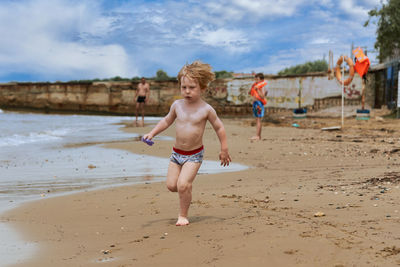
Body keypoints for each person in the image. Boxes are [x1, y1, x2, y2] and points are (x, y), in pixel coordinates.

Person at [143, 61, 232, 226]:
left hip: (194, 155)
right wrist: (152, 133)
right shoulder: (177, 105)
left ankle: (183, 216)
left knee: (183, 185)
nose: (187, 91)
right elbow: (166, 121)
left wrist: (224, 149)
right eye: (184, 87)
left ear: (203, 88)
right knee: (172, 186)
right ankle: (186, 188)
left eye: (192, 87)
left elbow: (219, 127)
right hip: (176, 154)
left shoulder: (206, 109)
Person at [249, 73, 267, 140]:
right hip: (256, 103)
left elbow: (262, 97)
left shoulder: (261, 87)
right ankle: (258, 135)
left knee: (258, 120)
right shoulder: (256, 86)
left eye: (257, 79)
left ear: (262, 80)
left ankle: (258, 136)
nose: (256, 80)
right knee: (257, 119)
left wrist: (257, 89)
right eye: (255, 79)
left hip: (259, 104)